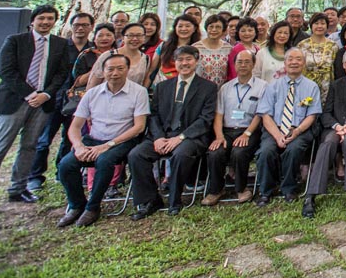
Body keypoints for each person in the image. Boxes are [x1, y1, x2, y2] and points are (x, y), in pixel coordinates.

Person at [56, 53, 149, 227]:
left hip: (122, 141)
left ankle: (93, 207)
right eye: (110, 69)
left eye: (120, 69)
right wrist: (78, 146)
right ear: (103, 71)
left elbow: (139, 127)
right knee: (66, 165)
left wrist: (108, 146)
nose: (115, 73)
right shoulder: (92, 93)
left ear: (128, 70)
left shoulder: (139, 92)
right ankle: (77, 205)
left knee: (104, 162)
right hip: (93, 139)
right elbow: (75, 126)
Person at [128, 46, 216, 218]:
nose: (184, 63)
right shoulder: (162, 87)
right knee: (136, 155)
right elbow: (153, 115)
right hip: (162, 136)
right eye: (180, 59)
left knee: (181, 155)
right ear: (174, 62)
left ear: (196, 61)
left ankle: (175, 200)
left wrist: (181, 137)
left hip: (190, 137)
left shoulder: (208, 87)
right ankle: (150, 200)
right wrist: (159, 137)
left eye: (188, 59)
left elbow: (206, 119)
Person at [0, 5, 71, 203]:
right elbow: (5, 71)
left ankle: (18, 189)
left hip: (43, 104)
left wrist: (46, 94)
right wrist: (30, 94)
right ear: (33, 20)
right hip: (15, 101)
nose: (46, 22)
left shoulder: (60, 44)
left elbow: (62, 73)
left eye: (50, 18)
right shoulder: (15, 41)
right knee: (0, 146)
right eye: (42, 18)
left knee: (30, 146)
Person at [28, 12, 95, 192]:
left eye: (84, 25)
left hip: (78, 102)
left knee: (70, 137)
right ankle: (35, 176)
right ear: (71, 26)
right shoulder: (59, 46)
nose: (80, 28)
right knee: (44, 139)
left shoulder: (93, 50)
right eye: (77, 25)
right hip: (54, 98)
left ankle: (61, 171)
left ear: (91, 27)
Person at [304, 48, 346, 218]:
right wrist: (337, 127)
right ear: (343, 65)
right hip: (336, 128)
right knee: (328, 142)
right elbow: (326, 113)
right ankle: (310, 196)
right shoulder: (336, 85)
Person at [255, 48, 321, 206]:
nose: (294, 62)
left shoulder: (312, 86)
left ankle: (289, 189)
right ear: (284, 63)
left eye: (298, 59)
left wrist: (297, 131)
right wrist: (278, 135)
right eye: (290, 59)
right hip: (275, 128)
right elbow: (265, 114)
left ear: (304, 63)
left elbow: (312, 115)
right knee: (266, 151)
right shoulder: (273, 86)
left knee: (294, 149)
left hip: (300, 129)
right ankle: (266, 191)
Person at [202, 49, 266, 207]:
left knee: (239, 152)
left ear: (253, 64)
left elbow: (260, 114)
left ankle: (241, 188)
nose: (243, 65)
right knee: (215, 152)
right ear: (234, 64)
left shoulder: (262, 86)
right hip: (227, 130)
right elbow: (218, 114)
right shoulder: (226, 88)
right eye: (240, 62)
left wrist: (247, 134)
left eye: (247, 62)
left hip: (250, 130)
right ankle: (216, 190)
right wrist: (219, 136)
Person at [88, 23, 150, 89]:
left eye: (139, 35)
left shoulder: (146, 59)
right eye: (130, 35)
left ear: (144, 38)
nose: (135, 39)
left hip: (132, 98)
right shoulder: (108, 55)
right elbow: (92, 86)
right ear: (123, 38)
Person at [148, 14, 200, 84]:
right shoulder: (163, 46)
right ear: (175, 28)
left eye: (187, 26)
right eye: (180, 26)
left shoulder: (198, 47)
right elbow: (151, 70)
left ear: (194, 29)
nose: (183, 29)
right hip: (162, 85)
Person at [298, 13, 337, 104]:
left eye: (323, 23)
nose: (319, 26)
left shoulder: (333, 46)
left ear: (327, 26)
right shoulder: (302, 45)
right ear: (311, 26)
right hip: (307, 85)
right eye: (316, 23)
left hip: (327, 87)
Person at [194, 14, 233, 87]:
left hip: (222, 90)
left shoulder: (228, 48)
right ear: (206, 28)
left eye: (218, 27)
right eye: (211, 27)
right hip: (200, 90)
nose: (214, 30)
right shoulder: (195, 47)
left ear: (223, 30)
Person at [227, 17, 260, 81]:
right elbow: (233, 72)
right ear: (238, 33)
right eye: (243, 31)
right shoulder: (235, 50)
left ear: (255, 32)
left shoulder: (258, 49)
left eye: (250, 30)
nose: (246, 33)